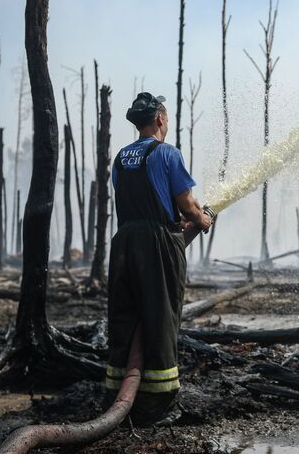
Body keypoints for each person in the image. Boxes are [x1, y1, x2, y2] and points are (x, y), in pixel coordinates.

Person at [105, 92, 213, 425]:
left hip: (123, 242)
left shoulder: (121, 158)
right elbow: (188, 205)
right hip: (156, 246)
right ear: (161, 120)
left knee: (125, 317)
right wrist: (203, 219)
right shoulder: (167, 153)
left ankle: (116, 392)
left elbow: (139, 202)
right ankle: (157, 404)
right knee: (161, 317)